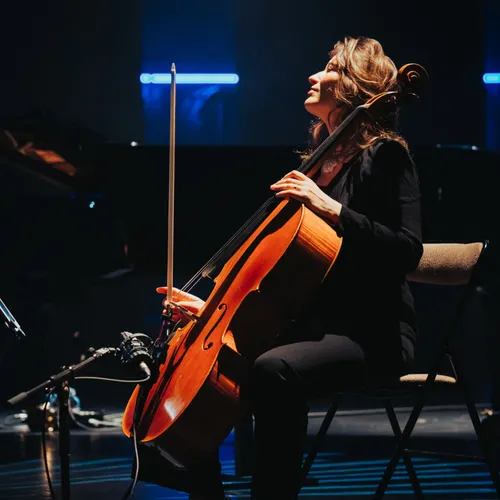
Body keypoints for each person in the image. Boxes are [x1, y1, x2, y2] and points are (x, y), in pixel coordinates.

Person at [142, 35, 424, 500]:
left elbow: (408, 251)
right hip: (310, 327)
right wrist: (216, 308)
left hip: (373, 332)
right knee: (192, 368)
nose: (314, 76)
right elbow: (278, 279)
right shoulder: (314, 167)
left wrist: (331, 209)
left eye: (329, 67)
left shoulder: (386, 157)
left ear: (354, 85)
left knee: (273, 370)